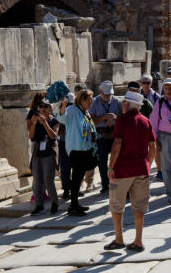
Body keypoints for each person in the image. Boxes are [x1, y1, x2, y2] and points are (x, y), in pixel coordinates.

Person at [104, 90, 156, 252]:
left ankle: (119, 239)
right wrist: (148, 163)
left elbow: (117, 144)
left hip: (122, 170)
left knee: (116, 205)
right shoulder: (146, 121)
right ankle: (138, 241)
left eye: (123, 103)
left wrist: (111, 166)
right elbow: (153, 146)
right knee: (139, 206)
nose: (122, 105)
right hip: (141, 169)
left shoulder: (122, 120)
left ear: (127, 104)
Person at [58, 89, 98, 217]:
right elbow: (62, 118)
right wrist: (63, 108)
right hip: (76, 149)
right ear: (81, 100)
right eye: (88, 99)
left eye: (91, 99)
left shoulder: (85, 112)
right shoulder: (73, 110)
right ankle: (73, 206)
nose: (90, 102)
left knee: (78, 177)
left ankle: (75, 204)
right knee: (76, 178)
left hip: (85, 148)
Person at [27, 95, 59, 215]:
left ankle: (54, 203)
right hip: (37, 153)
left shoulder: (54, 121)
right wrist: (34, 124)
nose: (43, 108)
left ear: (50, 108)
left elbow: (53, 136)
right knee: (37, 180)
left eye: (46, 106)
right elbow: (31, 137)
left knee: (48, 180)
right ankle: (39, 205)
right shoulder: (35, 119)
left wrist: (45, 123)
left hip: (49, 152)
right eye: (41, 106)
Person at [91, 81, 121, 195]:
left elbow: (123, 118)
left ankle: (118, 183)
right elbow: (92, 120)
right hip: (101, 136)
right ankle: (105, 185)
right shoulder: (94, 102)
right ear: (100, 92)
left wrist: (114, 117)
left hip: (114, 135)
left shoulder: (117, 101)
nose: (108, 96)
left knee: (117, 160)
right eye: (106, 94)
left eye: (110, 94)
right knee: (102, 162)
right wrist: (105, 117)